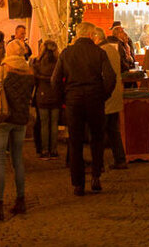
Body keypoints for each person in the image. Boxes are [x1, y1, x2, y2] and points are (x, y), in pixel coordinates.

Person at [52, 22, 116, 196]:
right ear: (91, 35)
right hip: (95, 100)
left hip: (74, 101)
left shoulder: (66, 53)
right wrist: (103, 95)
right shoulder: (99, 52)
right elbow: (111, 77)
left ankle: (78, 183)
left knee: (75, 142)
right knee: (97, 139)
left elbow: (55, 80)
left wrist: (64, 99)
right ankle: (96, 176)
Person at [0, 40, 36, 220]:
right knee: (18, 160)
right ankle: (20, 200)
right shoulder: (29, 70)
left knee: (0, 160)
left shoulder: (3, 69)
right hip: (20, 119)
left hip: (3, 117)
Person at [98, 28, 128, 169]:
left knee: (99, 131)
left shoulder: (101, 51)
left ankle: (99, 164)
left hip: (106, 96)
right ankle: (120, 159)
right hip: (115, 94)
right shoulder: (113, 49)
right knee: (113, 130)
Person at [32, 40, 63, 158]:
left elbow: (34, 80)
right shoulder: (59, 63)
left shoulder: (37, 62)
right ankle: (54, 149)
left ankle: (45, 150)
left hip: (42, 95)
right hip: (56, 95)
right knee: (54, 124)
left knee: (44, 124)